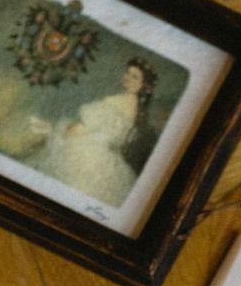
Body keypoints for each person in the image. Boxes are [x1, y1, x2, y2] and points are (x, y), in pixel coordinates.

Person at [35, 59, 158, 208]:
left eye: (135, 76)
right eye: (128, 73)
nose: (127, 77)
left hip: (87, 154)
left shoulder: (116, 101)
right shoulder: (136, 110)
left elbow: (82, 128)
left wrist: (64, 134)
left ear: (143, 85)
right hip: (108, 160)